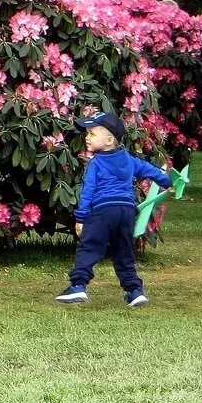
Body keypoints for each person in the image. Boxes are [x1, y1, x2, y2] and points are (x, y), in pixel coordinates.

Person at [55, 110, 173, 307]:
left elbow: (87, 192)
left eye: (92, 133)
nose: (87, 137)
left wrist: (81, 218)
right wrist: (168, 181)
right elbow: (152, 171)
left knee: (89, 247)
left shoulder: (96, 163)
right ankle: (135, 291)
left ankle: (78, 286)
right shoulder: (130, 160)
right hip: (126, 212)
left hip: (102, 211)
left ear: (109, 140)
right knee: (123, 251)